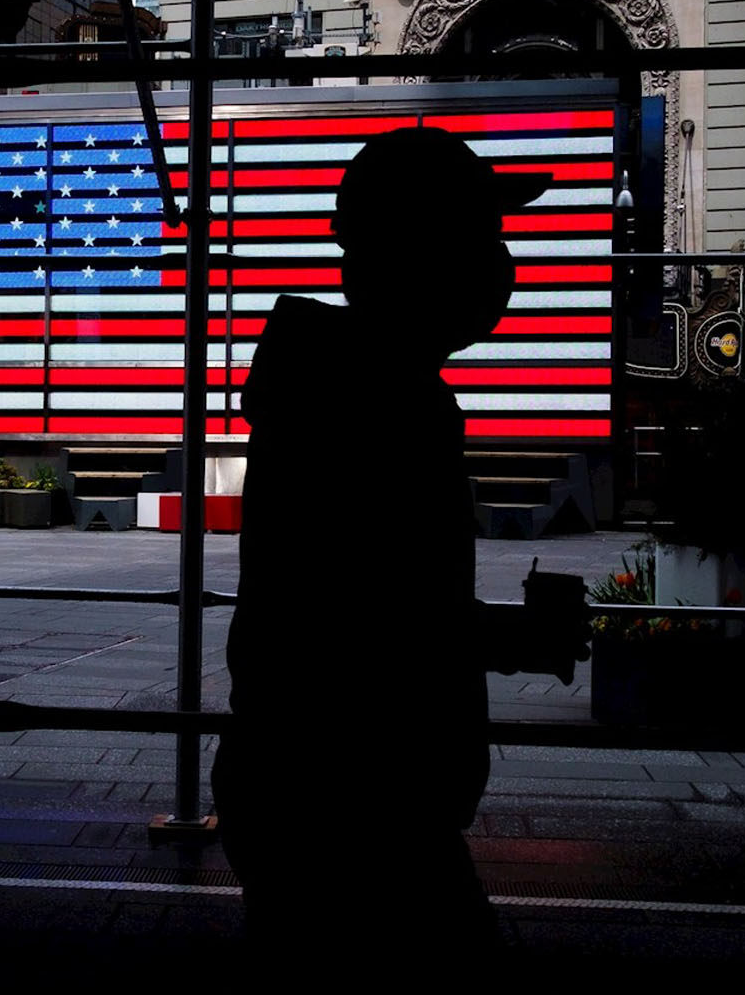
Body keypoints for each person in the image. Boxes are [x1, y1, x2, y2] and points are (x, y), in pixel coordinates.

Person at [209, 127, 587, 974]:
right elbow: (365, 628)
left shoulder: (344, 385)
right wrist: (504, 638)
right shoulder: (379, 407)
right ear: (421, 253)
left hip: (317, 788)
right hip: (353, 802)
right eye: (484, 238)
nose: (500, 264)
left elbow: (362, 605)